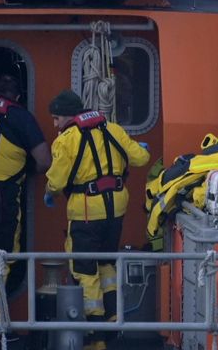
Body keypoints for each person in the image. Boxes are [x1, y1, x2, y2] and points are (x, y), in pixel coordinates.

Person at [45, 89, 150, 350]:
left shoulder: (65, 140)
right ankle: (113, 314)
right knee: (106, 262)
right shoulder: (112, 129)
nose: (55, 124)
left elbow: (57, 182)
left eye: (56, 118)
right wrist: (132, 148)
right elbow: (141, 157)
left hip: (86, 212)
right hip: (115, 209)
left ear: (68, 116)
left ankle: (96, 335)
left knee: (84, 269)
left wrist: (48, 192)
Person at [0, 75, 51, 318]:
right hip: (3, 197)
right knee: (3, 254)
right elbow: (44, 161)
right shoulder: (21, 117)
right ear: (17, 97)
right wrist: (25, 169)